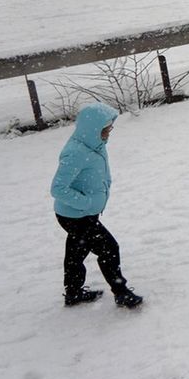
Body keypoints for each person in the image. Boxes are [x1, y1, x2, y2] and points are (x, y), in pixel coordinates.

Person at [50, 103, 143, 309]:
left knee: (77, 251)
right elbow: (57, 188)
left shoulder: (94, 144)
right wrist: (87, 204)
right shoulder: (76, 152)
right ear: (93, 128)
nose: (109, 132)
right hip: (76, 215)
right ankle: (121, 292)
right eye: (105, 129)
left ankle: (73, 292)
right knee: (109, 249)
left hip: (80, 214)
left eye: (110, 128)